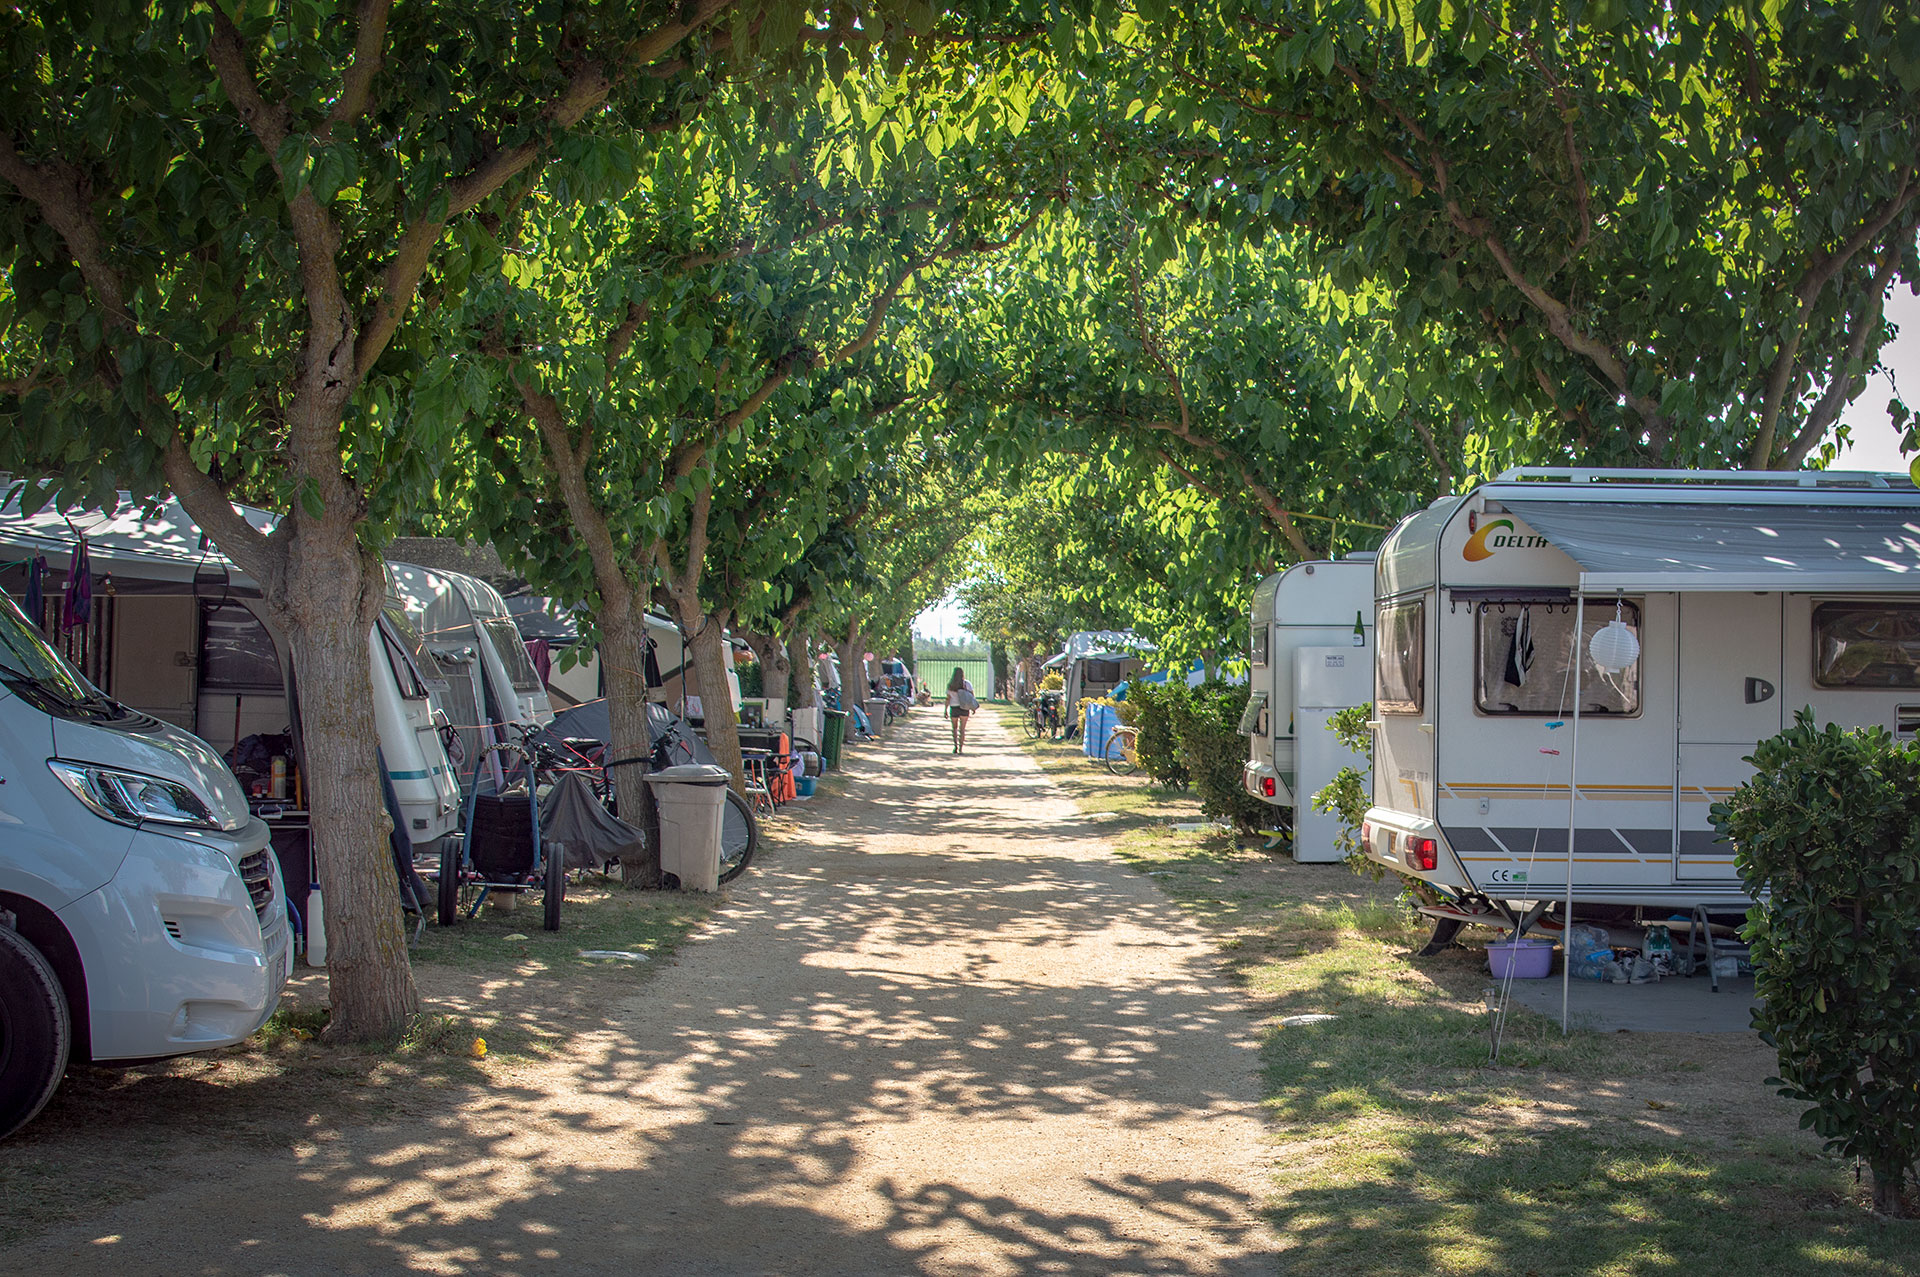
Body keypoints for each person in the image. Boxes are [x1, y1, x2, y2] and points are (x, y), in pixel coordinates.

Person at [945, 666, 977, 755]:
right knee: (962, 729)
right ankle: (961, 748)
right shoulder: (967, 684)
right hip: (964, 707)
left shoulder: (951, 685)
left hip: (954, 707)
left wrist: (945, 710)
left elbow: (948, 698)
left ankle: (955, 746)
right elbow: (972, 696)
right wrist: (973, 708)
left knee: (954, 728)